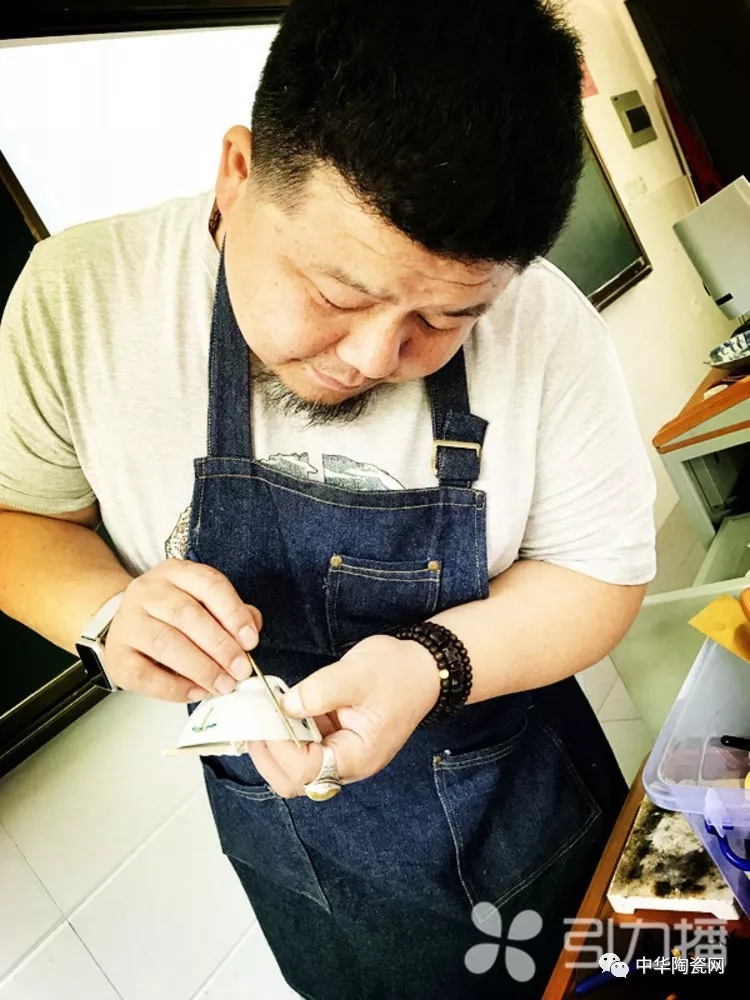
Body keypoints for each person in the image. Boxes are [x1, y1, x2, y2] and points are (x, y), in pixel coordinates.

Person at [0, 0, 656, 996]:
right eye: (338, 294)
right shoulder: (79, 299)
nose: (373, 356)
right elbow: (18, 519)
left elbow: (599, 576)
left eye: (445, 318)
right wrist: (104, 612)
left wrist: (430, 663)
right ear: (238, 172)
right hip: (304, 863)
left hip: (524, 809)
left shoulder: (546, 325)